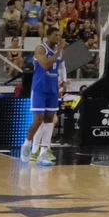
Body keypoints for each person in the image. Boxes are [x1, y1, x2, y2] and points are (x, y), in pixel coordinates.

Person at [23, 31, 64, 166]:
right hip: (39, 89)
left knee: (49, 121)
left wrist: (63, 82)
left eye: (59, 35)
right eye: (55, 35)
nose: (57, 37)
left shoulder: (59, 51)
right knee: (38, 120)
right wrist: (58, 52)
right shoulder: (40, 49)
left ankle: (43, 153)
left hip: (52, 89)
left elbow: (60, 67)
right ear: (48, 36)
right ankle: (27, 144)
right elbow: (46, 64)